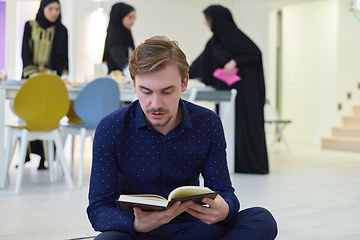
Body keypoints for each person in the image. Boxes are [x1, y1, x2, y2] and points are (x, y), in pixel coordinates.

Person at [87, 36, 277, 239]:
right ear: (133, 84)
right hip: (140, 232)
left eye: (167, 91)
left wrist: (225, 208)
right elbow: (98, 209)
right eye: (146, 91)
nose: (155, 104)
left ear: (184, 83)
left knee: (262, 220)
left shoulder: (208, 123)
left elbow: (224, 192)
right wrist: (135, 223)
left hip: (194, 228)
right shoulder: (111, 127)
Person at [189, 5, 269, 174]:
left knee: (245, 124)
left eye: (208, 19)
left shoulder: (235, 37)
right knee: (229, 127)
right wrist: (181, 73)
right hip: (226, 94)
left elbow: (255, 54)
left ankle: (252, 165)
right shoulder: (214, 43)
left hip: (245, 93)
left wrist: (235, 61)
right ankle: (235, 163)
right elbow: (200, 64)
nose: (205, 23)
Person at [20, 0, 69, 169]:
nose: (54, 12)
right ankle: (24, 156)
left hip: (51, 81)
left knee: (49, 117)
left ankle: (45, 158)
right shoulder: (30, 25)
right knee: (28, 116)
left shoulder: (62, 30)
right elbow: (25, 51)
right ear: (43, 9)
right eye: (51, 9)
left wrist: (63, 76)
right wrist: (32, 74)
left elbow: (64, 58)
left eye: (57, 9)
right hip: (31, 79)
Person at [102, 2, 136, 78]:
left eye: (134, 18)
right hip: (115, 80)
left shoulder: (127, 34)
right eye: (130, 17)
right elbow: (121, 59)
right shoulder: (113, 37)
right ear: (120, 17)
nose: (133, 21)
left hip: (126, 79)